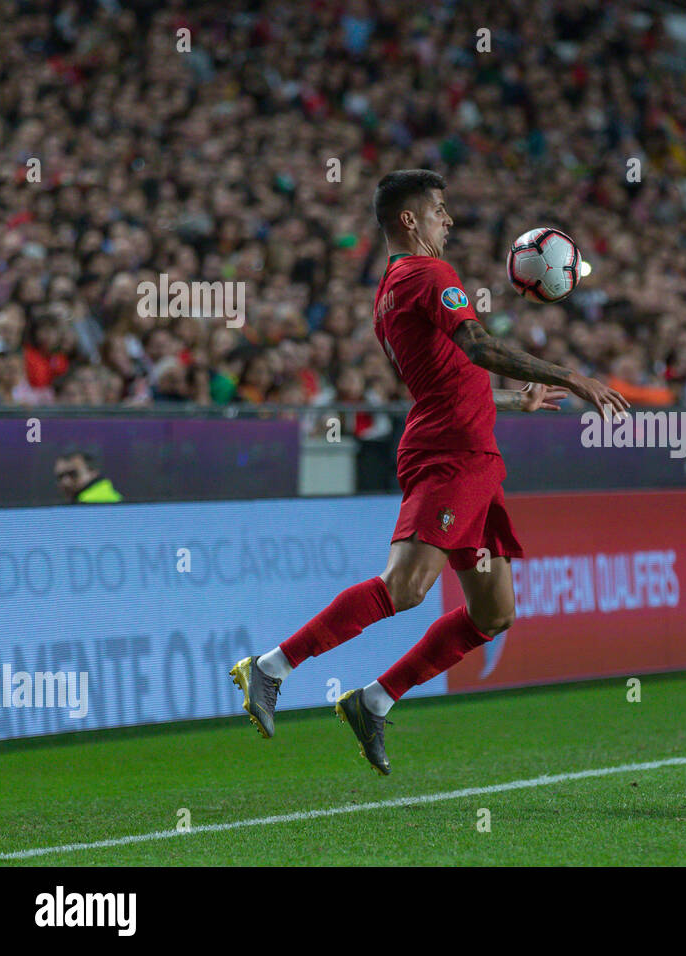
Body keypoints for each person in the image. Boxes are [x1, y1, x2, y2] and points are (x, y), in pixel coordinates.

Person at [229, 169, 630, 774]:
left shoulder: (390, 289)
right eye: (440, 210)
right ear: (411, 220)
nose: (449, 220)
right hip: (450, 455)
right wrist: (570, 375)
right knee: (406, 587)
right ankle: (270, 667)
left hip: (471, 456)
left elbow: (445, 379)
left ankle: (374, 699)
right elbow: (475, 346)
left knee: (493, 613)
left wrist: (506, 400)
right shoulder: (429, 274)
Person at [54, 449, 123, 503]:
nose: (65, 481)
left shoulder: (95, 502)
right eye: (60, 477)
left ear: (92, 472)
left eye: (73, 474)